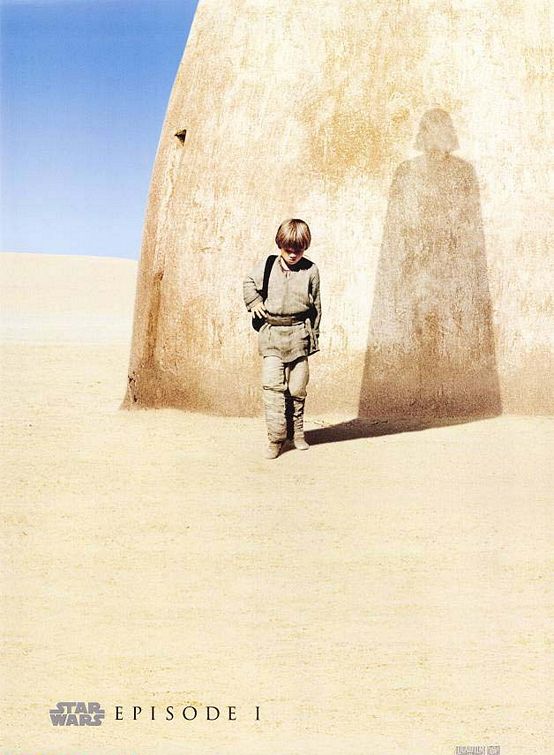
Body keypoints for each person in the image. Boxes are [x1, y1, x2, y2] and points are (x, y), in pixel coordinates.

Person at [243, 218, 321, 459]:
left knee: (297, 389)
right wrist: (254, 302)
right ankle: (275, 439)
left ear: (305, 247)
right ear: (280, 245)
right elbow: (249, 283)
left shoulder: (311, 270)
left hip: (298, 336)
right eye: (288, 249)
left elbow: (317, 307)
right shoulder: (267, 265)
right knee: (273, 388)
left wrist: (313, 338)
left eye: (299, 249)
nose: (293, 254)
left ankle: (297, 433)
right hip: (272, 337)